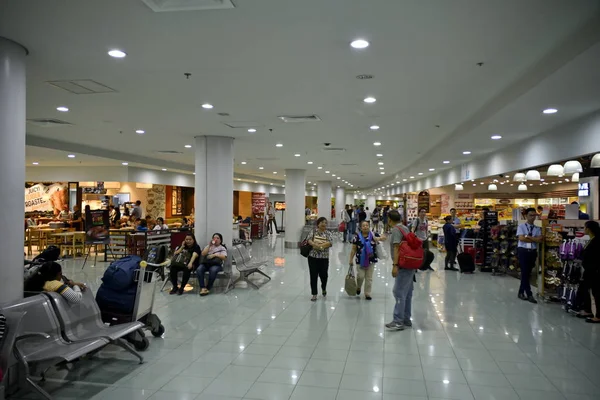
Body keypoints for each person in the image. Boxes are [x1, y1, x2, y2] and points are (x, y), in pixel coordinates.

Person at [385, 210, 415, 330]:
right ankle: (406, 319)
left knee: (398, 292)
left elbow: (397, 247)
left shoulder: (396, 230)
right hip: (410, 263)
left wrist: (395, 265)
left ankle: (398, 320)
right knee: (407, 293)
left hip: (403, 265)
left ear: (389, 219)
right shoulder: (405, 228)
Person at [349, 221, 385, 300]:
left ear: (369, 226)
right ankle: (358, 287)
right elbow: (353, 249)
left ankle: (367, 293)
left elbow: (384, 238)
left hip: (371, 259)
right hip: (360, 260)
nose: (365, 227)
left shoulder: (373, 235)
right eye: (363, 226)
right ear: (361, 228)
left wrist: (378, 238)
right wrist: (350, 259)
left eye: (367, 225)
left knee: (369, 278)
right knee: (360, 276)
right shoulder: (357, 237)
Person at [516, 207, 542, 304]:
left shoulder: (537, 228)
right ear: (526, 216)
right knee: (525, 271)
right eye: (530, 215)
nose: (532, 217)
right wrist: (533, 238)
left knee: (527, 273)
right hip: (523, 251)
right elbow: (521, 238)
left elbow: (539, 240)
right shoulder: (521, 226)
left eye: (534, 215)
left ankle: (521, 292)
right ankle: (529, 294)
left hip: (532, 251)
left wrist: (528, 236)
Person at [307, 217, 333, 301]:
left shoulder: (328, 233)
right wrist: (315, 244)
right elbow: (309, 240)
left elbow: (330, 242)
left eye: (325, 223)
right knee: (313, 276)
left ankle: (323, 287)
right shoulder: (313, 232)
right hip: (313, 258)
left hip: (324, 258)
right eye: (321, 222)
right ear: (318, 224)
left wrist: (320, 246)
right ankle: (314, 294)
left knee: (324, 275)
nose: (323, 224)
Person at [579, 221, 600, 323]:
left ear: (588, 229)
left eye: (584, 227)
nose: (584, 229)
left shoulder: (596, 241)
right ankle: (588, 310)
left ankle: (598, 316)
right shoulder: (592, 240)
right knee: (585, 289)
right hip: (589, 270)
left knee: (596, 292)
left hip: (594, 271)